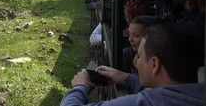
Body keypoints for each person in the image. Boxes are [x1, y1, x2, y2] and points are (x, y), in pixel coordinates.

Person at [60, 23, 204, 106]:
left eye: (140, 56)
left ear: (154, 64)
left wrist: (80, 87)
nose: (137, 60)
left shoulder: (148, 102)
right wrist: (127, 78)